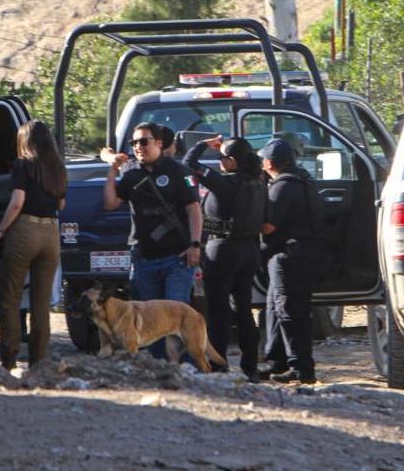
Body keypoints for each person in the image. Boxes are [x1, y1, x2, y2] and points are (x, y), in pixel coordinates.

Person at [101, 122, 203, 361]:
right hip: (144, 258)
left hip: (176, 257)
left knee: (175, 315)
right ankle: (158, 369)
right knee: (148, 322)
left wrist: (195, 244)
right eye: (134, 143)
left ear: (158, 143)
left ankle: (186, 371)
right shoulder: (131, 174)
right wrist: (113, 171)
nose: (138, 147)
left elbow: (194, 210)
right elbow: (110, 203)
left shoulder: (179, 172)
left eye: (144, 141)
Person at [184, 135, 265, 381]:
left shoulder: (225, 183)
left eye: (221, 158)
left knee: (218, 311)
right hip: (249, 250)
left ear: (232, 161)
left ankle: (218, 365)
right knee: (243, 309)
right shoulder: (259, 183)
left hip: (222, 250)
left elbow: (189, 161)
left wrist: (203, 144)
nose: (219, 162)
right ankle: (250, 366)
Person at [0, 120, 67, 370]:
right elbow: (61, 205)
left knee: (11, 297)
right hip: (51, 233)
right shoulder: (58, 168)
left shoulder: (23, 165)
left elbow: (17, 202)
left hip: (25, 230)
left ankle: (9, 359)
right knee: (41, 302)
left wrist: (0, 231)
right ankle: (39, 361)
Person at [257, 138, 325, 384]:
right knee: (275, 309)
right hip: (297, 255)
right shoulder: (304, 180)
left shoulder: (283, 187)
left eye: (263, 158)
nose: (261, 162)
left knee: (290, 311)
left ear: (271, 162)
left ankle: (301, 367)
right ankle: (277, 362)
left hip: (290, 257)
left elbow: (269, 226)